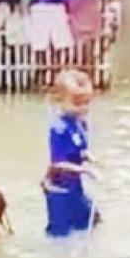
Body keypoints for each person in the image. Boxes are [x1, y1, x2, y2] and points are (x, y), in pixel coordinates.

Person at [42, 68, 99, 237]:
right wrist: (85, 170)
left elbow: (79, 149)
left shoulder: (80, 124)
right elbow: (57, 164)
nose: (82, 108)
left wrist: (89, 157)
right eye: (77, 103)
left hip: (74, 184)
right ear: (59, 100)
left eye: (86, 102)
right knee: (61, 233)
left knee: (90, 221)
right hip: (58, 187)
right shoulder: (58, 129)